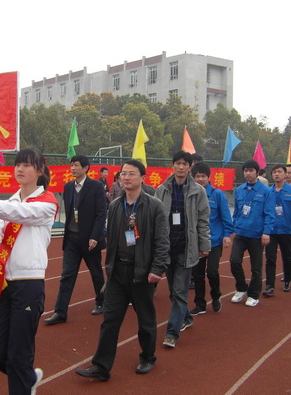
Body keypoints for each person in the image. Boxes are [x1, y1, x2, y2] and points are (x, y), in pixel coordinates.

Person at [0, 147, 59, 395]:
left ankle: (23, 384)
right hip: (2, 282)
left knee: (18, 354)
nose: (20, 169)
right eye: (18, 164)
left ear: (40, 170)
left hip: (28, 284)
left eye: (27, 165)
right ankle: (28, 378)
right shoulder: (10, 202)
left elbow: (22, 213)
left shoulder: (47, 203)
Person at [76, 159, 169, 381]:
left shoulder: (155, 206)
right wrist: (110, 267)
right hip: (118, 271)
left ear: (143, 178)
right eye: (123, 173)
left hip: (142, 273)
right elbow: (113, 238)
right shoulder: (116, 205)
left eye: (131, 173)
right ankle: (101, 366)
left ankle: (148, 357)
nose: (126, 177)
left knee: (145, 320)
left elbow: (162, 241)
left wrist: (157, 268)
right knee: (109, 321)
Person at [155, 151, 210, 348]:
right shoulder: (162, 190)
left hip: (186, 248)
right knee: (173, 291)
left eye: (184, 164)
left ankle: (172, 333)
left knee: (179, 292)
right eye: (177, 163)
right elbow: (155, 219)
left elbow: (203, 220)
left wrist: (204, 245)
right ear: (172, 166)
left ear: (189, 167)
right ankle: (186, 317)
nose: (180, 167)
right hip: (167, 248)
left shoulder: (198, 191)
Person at [44, 155, 107, 324]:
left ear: (86, 168)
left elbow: (101, 213)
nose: (73, 168)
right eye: (71, 165)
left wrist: (95, 236)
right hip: (71, 239)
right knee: (67, 276)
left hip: (89, 240)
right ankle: (60, 312)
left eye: (76, 165)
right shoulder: (68, 187)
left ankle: (101, 302)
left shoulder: (96, 186)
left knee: (96, 273)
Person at [230, 159, 274, 307]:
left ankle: (254, 295)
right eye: (246, 171)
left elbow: (269, 214)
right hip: (241, 233)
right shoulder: (239, 190)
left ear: (257, 172)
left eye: (251, 171)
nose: (248, 173)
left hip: (256, 234)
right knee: (234, 261)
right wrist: (235, 226)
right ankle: (241, 287)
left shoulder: (266, 191)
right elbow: (237, 211)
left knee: (256, 267)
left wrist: (266, 232)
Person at [190, 162, 233, 315]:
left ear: (209, 177)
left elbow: (226, 217)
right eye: (197, 176)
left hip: (214, 241)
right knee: (197, 274)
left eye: (203, 176)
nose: (200, 179)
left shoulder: (217, 194)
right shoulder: (190, 195)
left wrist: (227, 235)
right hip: (196, 241)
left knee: (212, 271)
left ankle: (216, 296)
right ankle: (200, 304)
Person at [263, 164, 291, 296]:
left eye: (279, 172)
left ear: (285, 174)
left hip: (287, 230)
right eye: (274, 172)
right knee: (270, 258)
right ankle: (270, 285)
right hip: (271, 230)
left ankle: (287, 280)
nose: (277, 174)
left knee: (287, 257)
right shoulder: (268, 192)